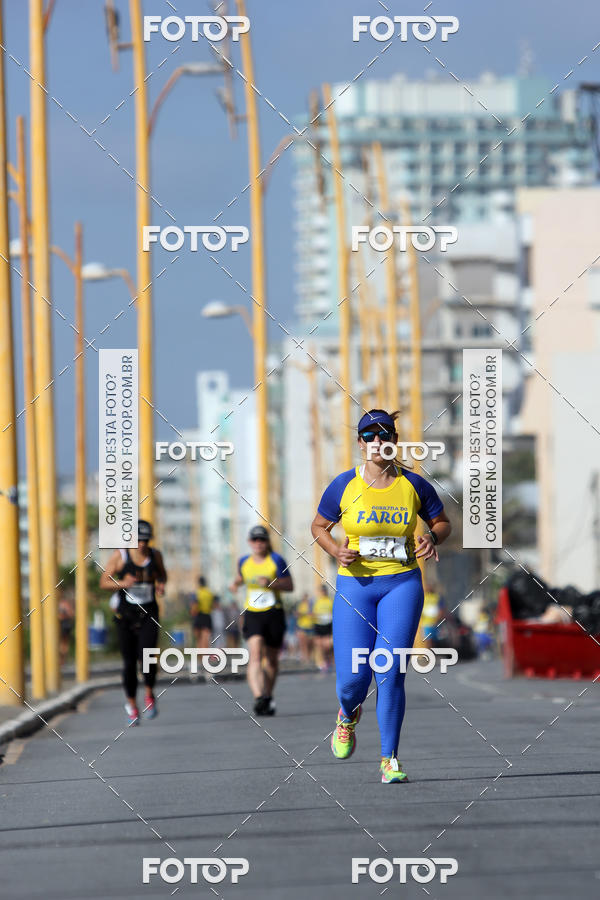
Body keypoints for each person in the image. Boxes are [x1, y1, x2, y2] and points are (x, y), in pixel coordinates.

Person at [311, 409, 451, 783]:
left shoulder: (414, 485)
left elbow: (442, 521)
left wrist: (431, 537)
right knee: (352, 682)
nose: (378, 443)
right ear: (360, 443)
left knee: (389, 669)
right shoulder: (344, 485)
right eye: (370, 437)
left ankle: (389, 758)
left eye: (385, 436)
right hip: (355, 586)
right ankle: (347, 714)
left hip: (401, 585)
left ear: (394, 442)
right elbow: (319, 526)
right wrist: (335, 550)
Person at [100, 520, 167, 725]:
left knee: (147, 656)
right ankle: (132, 704)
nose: (142, 545)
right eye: (138, 540)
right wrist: (123, 583)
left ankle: (148, 693)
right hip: (125, 616)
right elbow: (104, 582)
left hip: (148, 613)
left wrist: (161, 585)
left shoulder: (155, 556)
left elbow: (162, 574)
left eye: (145, 540)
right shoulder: (120, 556)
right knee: (129, 663)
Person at [230, 524, 293, 716]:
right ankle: (258, 696)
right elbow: (241, 577)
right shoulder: (243, 561)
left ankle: (267, 694)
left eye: (262, 540)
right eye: (255, 540)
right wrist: (234, 584)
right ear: (250, 542)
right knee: (255, 654)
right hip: (253, 613)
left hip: (274, 612)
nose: (258, 543)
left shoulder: (277, 560)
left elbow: (290, 585)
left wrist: (272, 583)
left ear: (267, 542)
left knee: (272, 660)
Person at [312, 584, 334, 672]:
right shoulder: (317, 601)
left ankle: (328, 660)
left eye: (324, 590)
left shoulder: (330, 601)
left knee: (327, 645)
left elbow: (333, 613)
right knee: (319, 644)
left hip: (328, 624)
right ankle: (321, 663)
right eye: (321, 591)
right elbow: (313, 613)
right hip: (318, 624)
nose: (323, 592)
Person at [191, 576, 214, 651]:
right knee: (206, 638)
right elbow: (212, 606)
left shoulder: (197, 592)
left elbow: (195, 605)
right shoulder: (209, 593)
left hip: (199, 616)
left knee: (198, 638)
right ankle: (205, 655)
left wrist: (193, 614)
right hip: (207, 616)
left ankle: (200, 656)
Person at [295, 593, 315, 664]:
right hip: (302, 626)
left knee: (309, 644)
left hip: (310, 625)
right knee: (303, 643)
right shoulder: (300, 605)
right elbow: (296, 614)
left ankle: (308, 657)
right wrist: (302, 614)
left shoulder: (311, 605)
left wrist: (305, 614)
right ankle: (305, 658)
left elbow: (313, 614)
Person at [58, 595, 74, 667]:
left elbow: (71, 614)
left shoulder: (64, 604)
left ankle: (62, 660)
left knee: (63, 643)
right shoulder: (65, 604)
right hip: (64, 624)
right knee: (63, 643)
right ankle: (62, 660)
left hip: (64, 624)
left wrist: (62, 616)